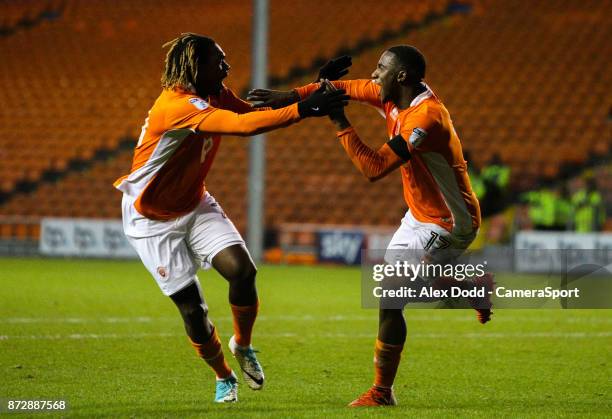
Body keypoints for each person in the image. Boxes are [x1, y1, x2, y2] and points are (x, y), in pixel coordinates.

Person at [248, 46, 493, 407]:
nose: (374, 75)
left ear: (402, 77)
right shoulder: (391, 96)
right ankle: (470, 291)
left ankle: (381, 391)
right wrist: (293, 95)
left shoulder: (425, 119)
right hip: (418, 216)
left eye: (381, 69)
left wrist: (338, 122)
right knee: (397, 294)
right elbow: (342, 89)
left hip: (449, 222)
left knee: (391, 294)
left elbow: (374, 168)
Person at [114, 33, 349, 403]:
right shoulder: (175, 106)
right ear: (196, 66)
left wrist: (314, 92)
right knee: (193, 310)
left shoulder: (215, 95)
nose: (227, 67)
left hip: (194, 203)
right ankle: (224, 377)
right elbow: (245, 128)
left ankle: (243, 344)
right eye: (219, 61)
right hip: (152, 220)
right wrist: (307, 108)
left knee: (243, 271)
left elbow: (254, 114)